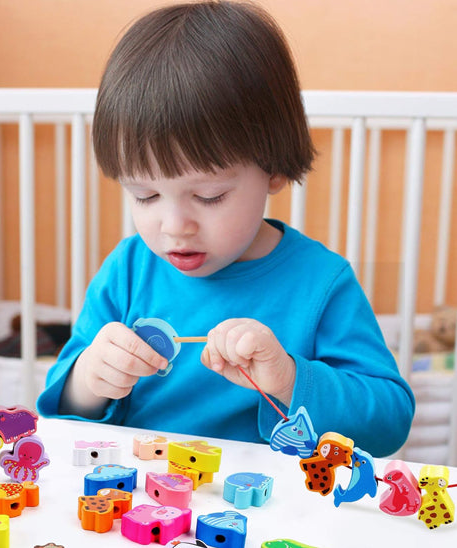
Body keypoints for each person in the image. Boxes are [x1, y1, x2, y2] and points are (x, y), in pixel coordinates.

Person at [37, 0, 414, 457]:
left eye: (209, 196)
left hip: (268, 513)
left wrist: (290, 379)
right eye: (145, 196)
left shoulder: (322, 282)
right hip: (139, 504)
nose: (175, 227)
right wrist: (90, 380)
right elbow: (64, 410)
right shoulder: (128, 268)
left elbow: (390, 421)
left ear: (274, 170)